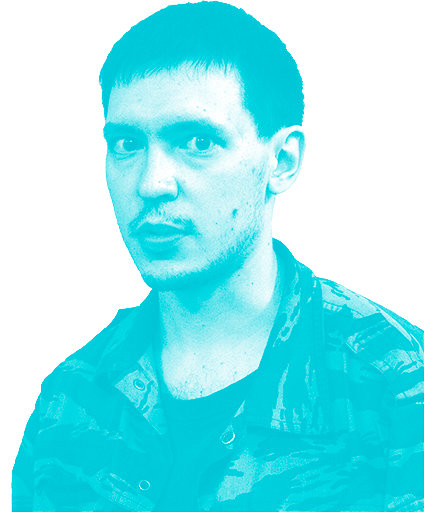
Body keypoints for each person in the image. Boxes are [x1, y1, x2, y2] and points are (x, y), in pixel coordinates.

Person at [12, 2, 423, 511]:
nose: (151, 183)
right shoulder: (71, 402)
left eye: (198, 141)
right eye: (126, 143)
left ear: (282, 161)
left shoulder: (398, 387)